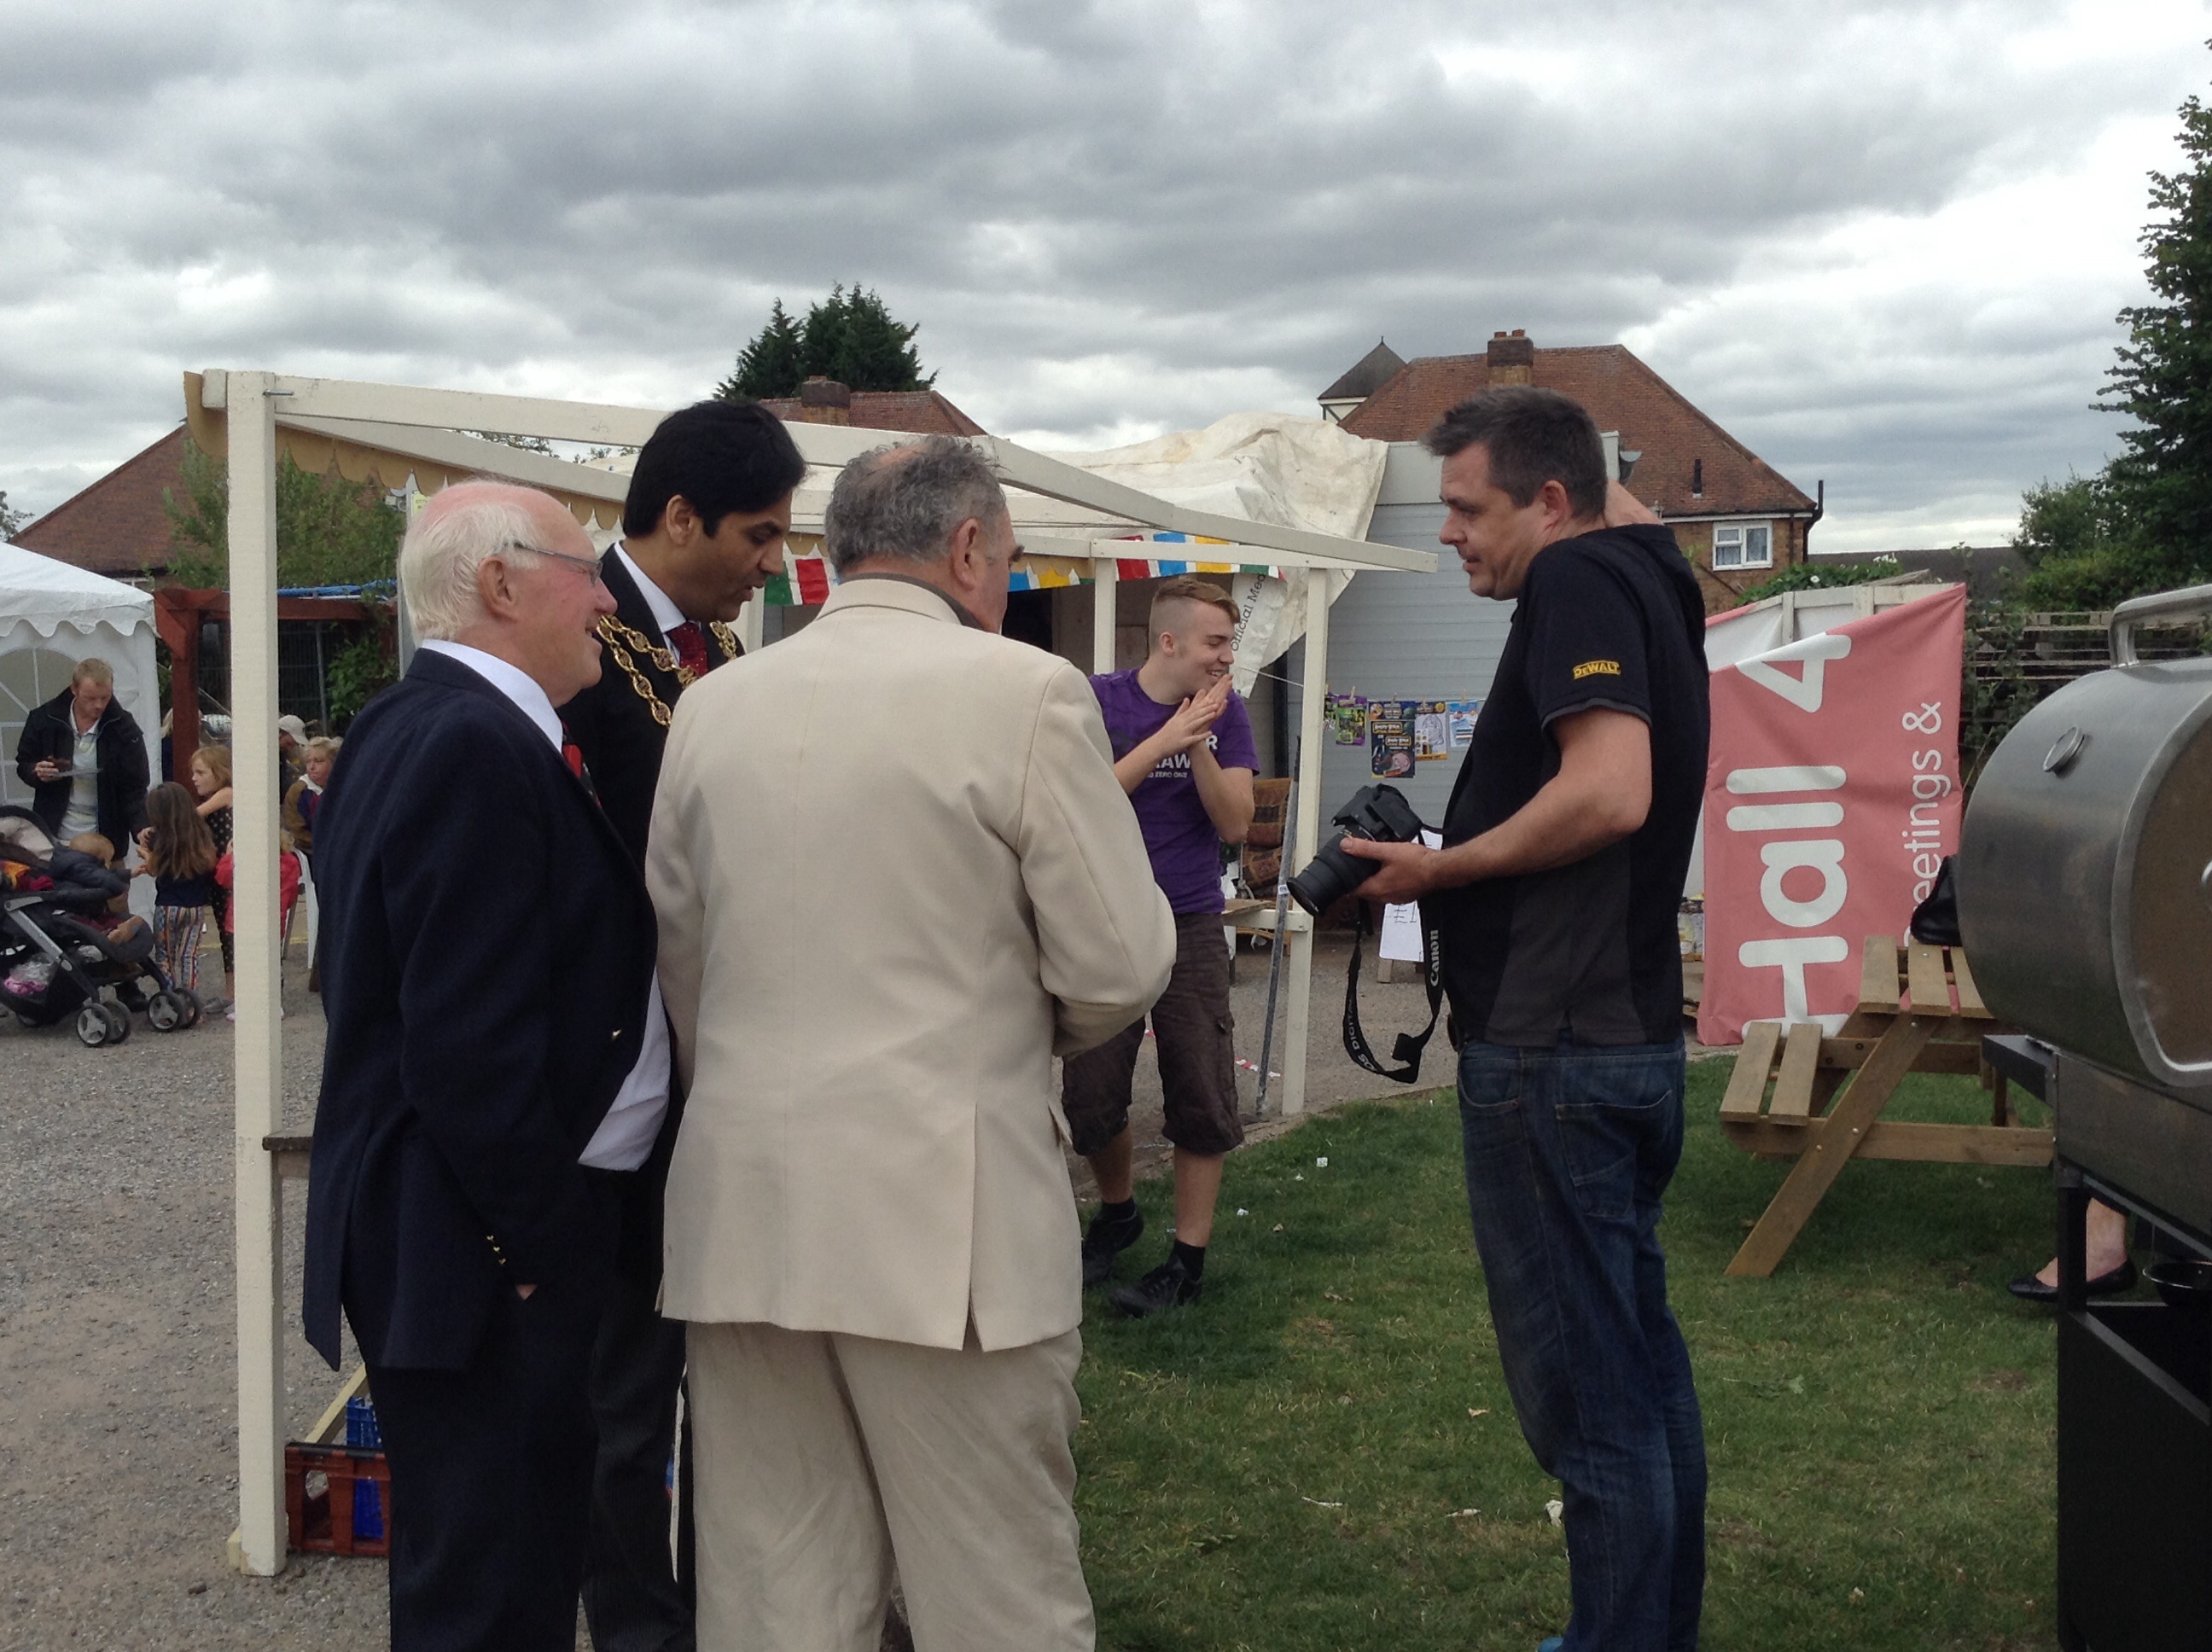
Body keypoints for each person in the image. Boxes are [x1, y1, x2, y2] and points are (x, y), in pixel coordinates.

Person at [649, 436, 1173, 1652]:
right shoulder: (1025, 692)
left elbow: (687, 962)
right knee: (996, 1598)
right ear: (970, 547)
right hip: (947, 1219)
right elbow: (1117, 963)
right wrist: (1007, 1030)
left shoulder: (712, 707)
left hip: (746, 1208)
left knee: (773, 1598)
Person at [1342, 387, 1708, 1652]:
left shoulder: (1578, 579)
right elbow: (1621, 503)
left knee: (1594, 1407)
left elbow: (1609, 792)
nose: (1448, 533)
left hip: (1557, 1057)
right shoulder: (1648, 568)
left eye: (1465, 507)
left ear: (1550, 504)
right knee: (1641, 1379)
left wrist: (1437, 870)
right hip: (1623, 1040)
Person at [303, 480, 657, 1651]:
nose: (607, 601)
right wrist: (539, 1247)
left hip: (458, 1240)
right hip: (477, 1255)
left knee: (493, 1565)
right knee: (492, 1591)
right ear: (501, 584)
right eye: (584, 572)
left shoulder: (415, 722)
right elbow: (465, 1047)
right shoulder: (469, 741)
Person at [555, 396, 803, 1652]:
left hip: (720, 1071)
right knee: (628, 1391)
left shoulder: (716, 650)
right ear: (682, 516)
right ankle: (638, 1626)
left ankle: (722, 1607)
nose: (773, 564)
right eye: (759, 536)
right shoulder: (584, 643)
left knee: (734, 1375)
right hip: (621, 1080)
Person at [1063, 577, 1256, 1316]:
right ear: (1169, 642)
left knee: (1201, 1089)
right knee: (1090, 1100)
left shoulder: (1229, 713)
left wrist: (1199, 741)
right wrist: (1165, 739)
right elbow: (1079, 805)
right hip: (1106, 921)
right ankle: (1118, 1212)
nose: (1226, 657)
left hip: (1191, 922)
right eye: (1215, 643)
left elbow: (1235, 823)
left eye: (1230, 644)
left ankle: (1187, 1261)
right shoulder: (1098, 701)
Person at [13, 657, 150, 856]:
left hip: (105, 842)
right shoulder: (44, 719)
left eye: (105, 697)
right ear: (74, 690)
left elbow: (135, 787)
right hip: (54, 837)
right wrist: (36, 771)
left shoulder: (124, 728)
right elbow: (24, 763)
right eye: (91, 698)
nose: (99, 705)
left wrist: (141, 828)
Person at [137, 782, 218, 1002]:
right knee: (189, 956)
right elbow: (211, 863)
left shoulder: (158, 838)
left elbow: (153, 870)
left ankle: (171, 1002)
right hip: (196, 907)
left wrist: (145, 854)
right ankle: (192, 1003)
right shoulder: (200, 833)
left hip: (167, 906)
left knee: (166, 957)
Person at [184, 744, 236, 1007]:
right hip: (219, 873)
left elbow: (191, 818)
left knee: (231, 931)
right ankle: (231, 989)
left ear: (220, 772)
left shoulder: (226, 794)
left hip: (229, 873)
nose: (194, 778)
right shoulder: (215, 798)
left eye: (200, 773)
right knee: (225, 931)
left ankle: (234, 991)